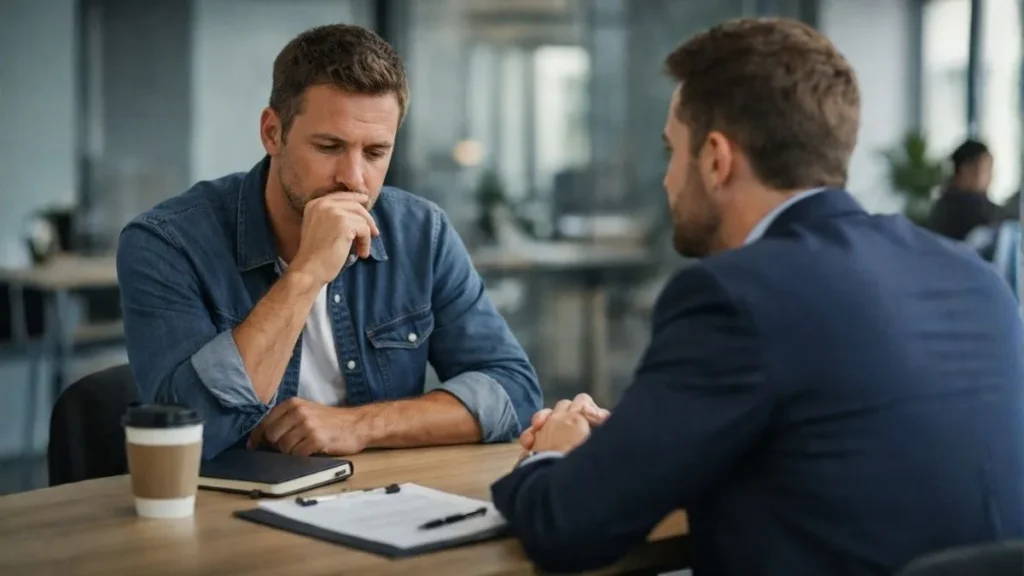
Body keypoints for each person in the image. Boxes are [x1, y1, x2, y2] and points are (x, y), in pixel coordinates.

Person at [492, 18, 1024, 575]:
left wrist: (553, 451)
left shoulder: (735, 295)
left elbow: (569, 526)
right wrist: (629, 446)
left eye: (672, 152)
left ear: (717, 159)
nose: (668, 180)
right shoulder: (973, 275)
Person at [116, 24, 542, 460]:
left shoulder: (421, 233)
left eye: (375, 153)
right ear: (272, 133)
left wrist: (359, 426)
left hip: (381, 505)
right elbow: (184, 432)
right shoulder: (166, 243)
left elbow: (514, 392)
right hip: (224, 516)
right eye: (329, 146)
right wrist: (305, 274)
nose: (353, 179)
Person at [927, 139, 998, 240]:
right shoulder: (969, 208)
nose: (991, 177)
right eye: (987, 169)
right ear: (966, 170)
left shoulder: (943, 203)